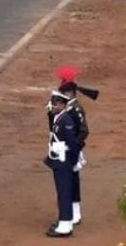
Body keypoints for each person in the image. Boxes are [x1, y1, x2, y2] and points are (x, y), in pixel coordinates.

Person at [53, 67, 98, 226]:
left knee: (72, 181)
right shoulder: (70, 107)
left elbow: (84, 131)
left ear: (69, 93)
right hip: (68, 149)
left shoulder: (75, 109)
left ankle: (76, 212)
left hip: (73, 149)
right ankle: (73, 211)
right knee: (70, 180)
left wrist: (74, 148)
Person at [43, 88, 82, 237]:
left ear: (63, 105)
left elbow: (72, 144)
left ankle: (65, 225)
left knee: (64, 192)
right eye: (53, 103)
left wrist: (73, 161)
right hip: (59, 160)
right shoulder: (58, 117)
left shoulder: (65, 120)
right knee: (63, 191)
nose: (53, 106)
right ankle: (65, 220)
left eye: (56, 103)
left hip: (63, 161)